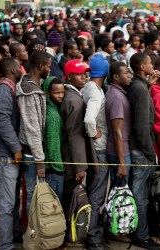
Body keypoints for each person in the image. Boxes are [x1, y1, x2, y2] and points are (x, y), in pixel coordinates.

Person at [127, 53, 160, 250]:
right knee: (140, 196)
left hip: (141, 149)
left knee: (141, 194)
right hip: (141, 150)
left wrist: (149, 84)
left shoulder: (140, 86)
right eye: (149, 63)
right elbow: (141, 127)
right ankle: (141, 235)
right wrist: (150, 153)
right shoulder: (139, 89)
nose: (152, 65)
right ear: (141, 66)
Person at [0, 57, 23, 250]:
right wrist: (16, 147)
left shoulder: (9, 89)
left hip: (10, 154)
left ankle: (14, 235)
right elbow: (2, 122)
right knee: (6, 203)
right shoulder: (4, 91)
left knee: (13, 202)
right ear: (12, 70)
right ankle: (5, 245)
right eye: (19, 67)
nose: (21, 69)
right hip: (5, 154)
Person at [16, 50, 51, 214]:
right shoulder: (29, 92)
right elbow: (32, 128)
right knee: (33, 195)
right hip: (32, 155)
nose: (50, 70)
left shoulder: (36, 87)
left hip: (36, 153)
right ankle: (33, 232)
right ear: (40, 66)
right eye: (48, 67)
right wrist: (39, 161)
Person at [81, 54, 109, 250]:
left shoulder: (91, 87)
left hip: (94, 149)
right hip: (99, 150)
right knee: (96, 195)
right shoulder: (96, 92)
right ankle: (93, 238)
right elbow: (89, 119)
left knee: (93, 192)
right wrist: (94, 134)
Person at [60, 59, 94, 211]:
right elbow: (74, 135)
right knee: (69, 202)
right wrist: (79, 167)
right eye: (79, 74)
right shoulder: (73, 99)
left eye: (85, 74)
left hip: (70, 159)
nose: (84, 77)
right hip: (71, 161)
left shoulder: (74, 95)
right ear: (68, 77)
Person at [105, 62, 132, 186]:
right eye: (126, 73)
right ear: (116, 77)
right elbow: (117, 132)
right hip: (119, 154)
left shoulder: (117, 93)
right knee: (120, 199)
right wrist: (122, 163)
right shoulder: (116, 98)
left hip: (120, 152)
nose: (129, 76)